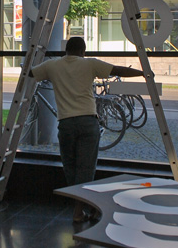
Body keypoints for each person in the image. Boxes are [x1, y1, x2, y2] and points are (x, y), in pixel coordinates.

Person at [29, 36, 144, 223]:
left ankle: (84, 208)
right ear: (83, 51)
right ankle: (82, 209)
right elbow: (118, 70)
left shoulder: (53, 65)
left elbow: (31, 73)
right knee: (86, 168)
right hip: (88, 122)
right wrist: (143, 73)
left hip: (66, 123)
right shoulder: (89, 64)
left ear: (66, 50)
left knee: (70, 168)